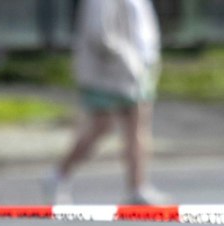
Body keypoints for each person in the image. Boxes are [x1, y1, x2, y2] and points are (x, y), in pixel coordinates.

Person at [45, 0, 168, 206]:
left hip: (137, 72)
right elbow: (99, 33)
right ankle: (59, 174)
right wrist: (129, 60)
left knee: (137, 126)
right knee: (101, 126)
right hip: (109, 74)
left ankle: (137, 186)